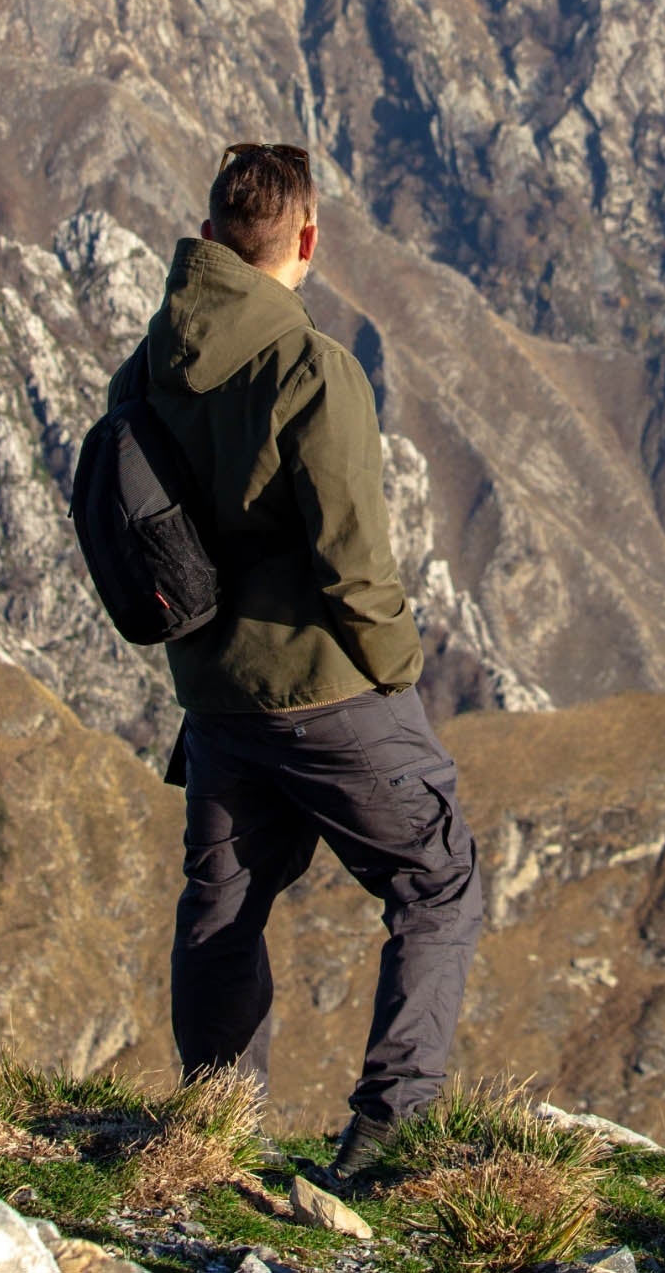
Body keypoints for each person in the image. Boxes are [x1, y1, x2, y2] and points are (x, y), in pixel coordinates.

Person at [109, 142, 482, 1187]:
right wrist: (397, 663)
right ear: (307, 241)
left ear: (214, 232)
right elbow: (352, 559)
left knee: (223, 906)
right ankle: (389, 1127)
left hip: (216, 696)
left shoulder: (146, 367)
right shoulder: (310, 369)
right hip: (327, 690)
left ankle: (216, 1134)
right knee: (435, 881)